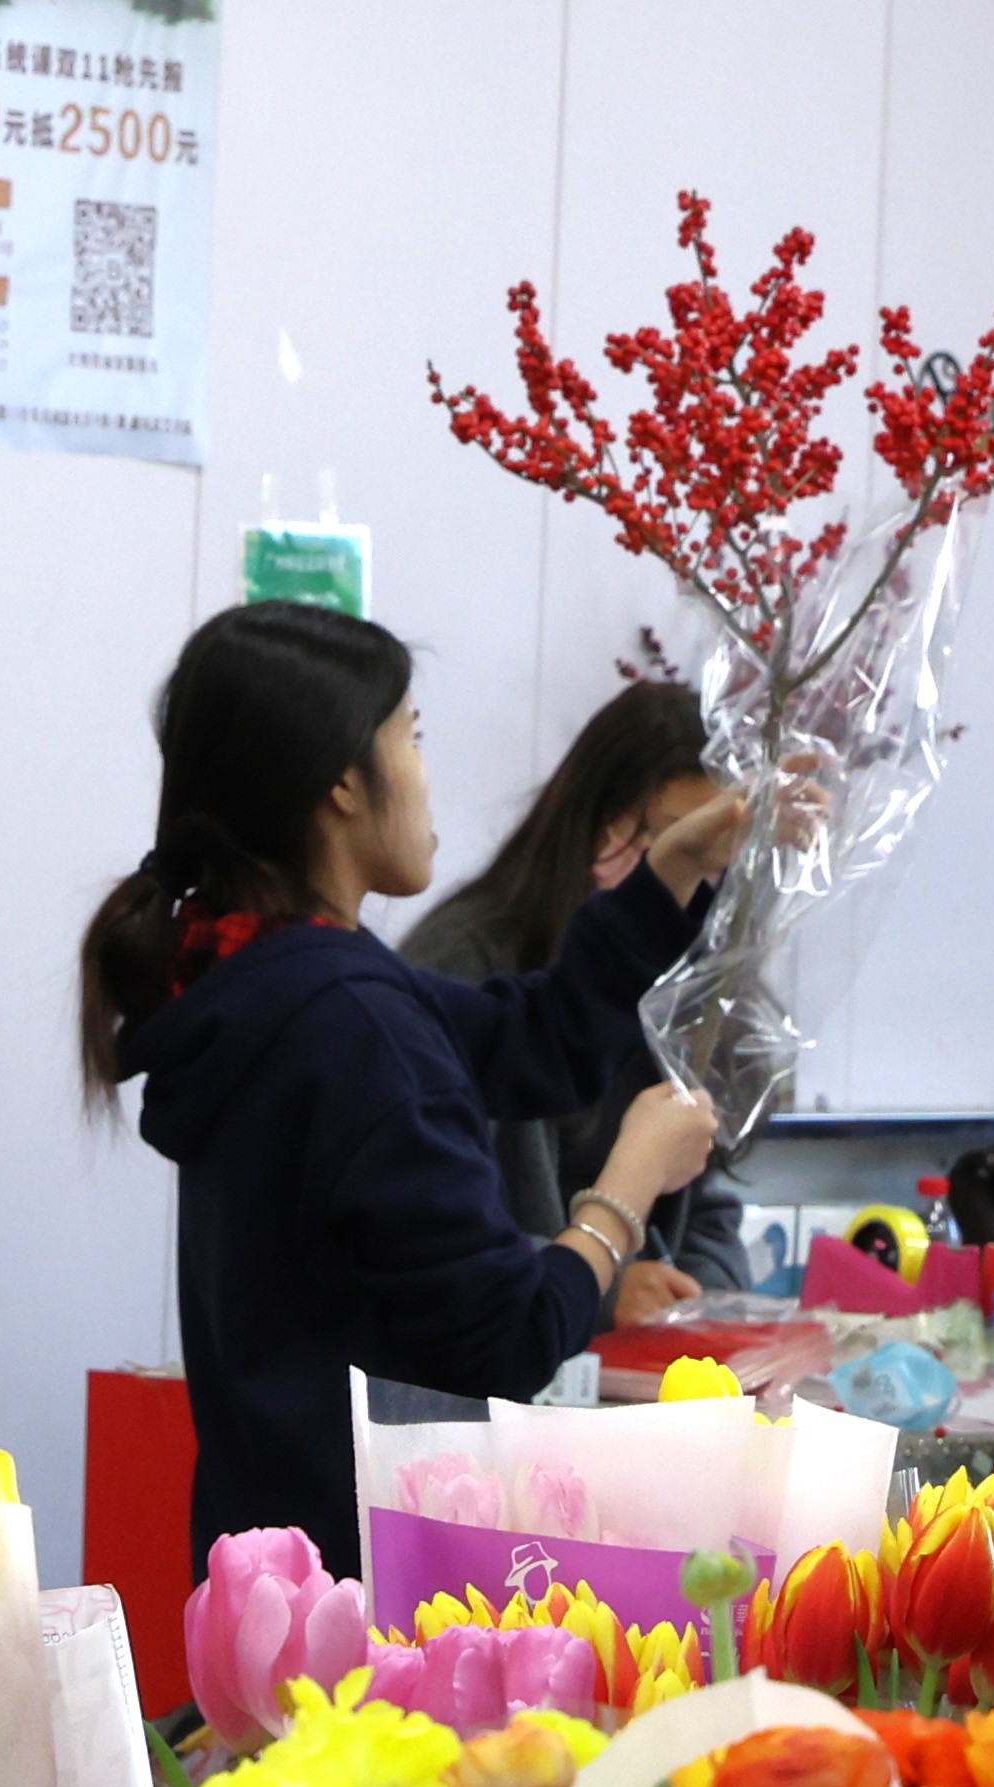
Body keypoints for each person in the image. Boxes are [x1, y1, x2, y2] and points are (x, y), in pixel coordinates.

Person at [84, 601, 727, 1567]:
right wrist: (625, 1189)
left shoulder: (269, 984)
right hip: (379, 1576)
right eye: (413, 738)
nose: (426, 776)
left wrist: (668, 875)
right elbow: (507, 1337)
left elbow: (534, 1039)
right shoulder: (351, 1022)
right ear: (345, 783)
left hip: (272, 1567)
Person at [398, 677, 753, 1251]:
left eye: (721, 850)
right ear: (602, 824)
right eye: (682, 839)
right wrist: (611, 1281)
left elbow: (708, 1200)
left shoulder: (690, 969)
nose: (699, 870)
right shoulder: (468, 963)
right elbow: (443, 1225)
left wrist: (700, 1287)